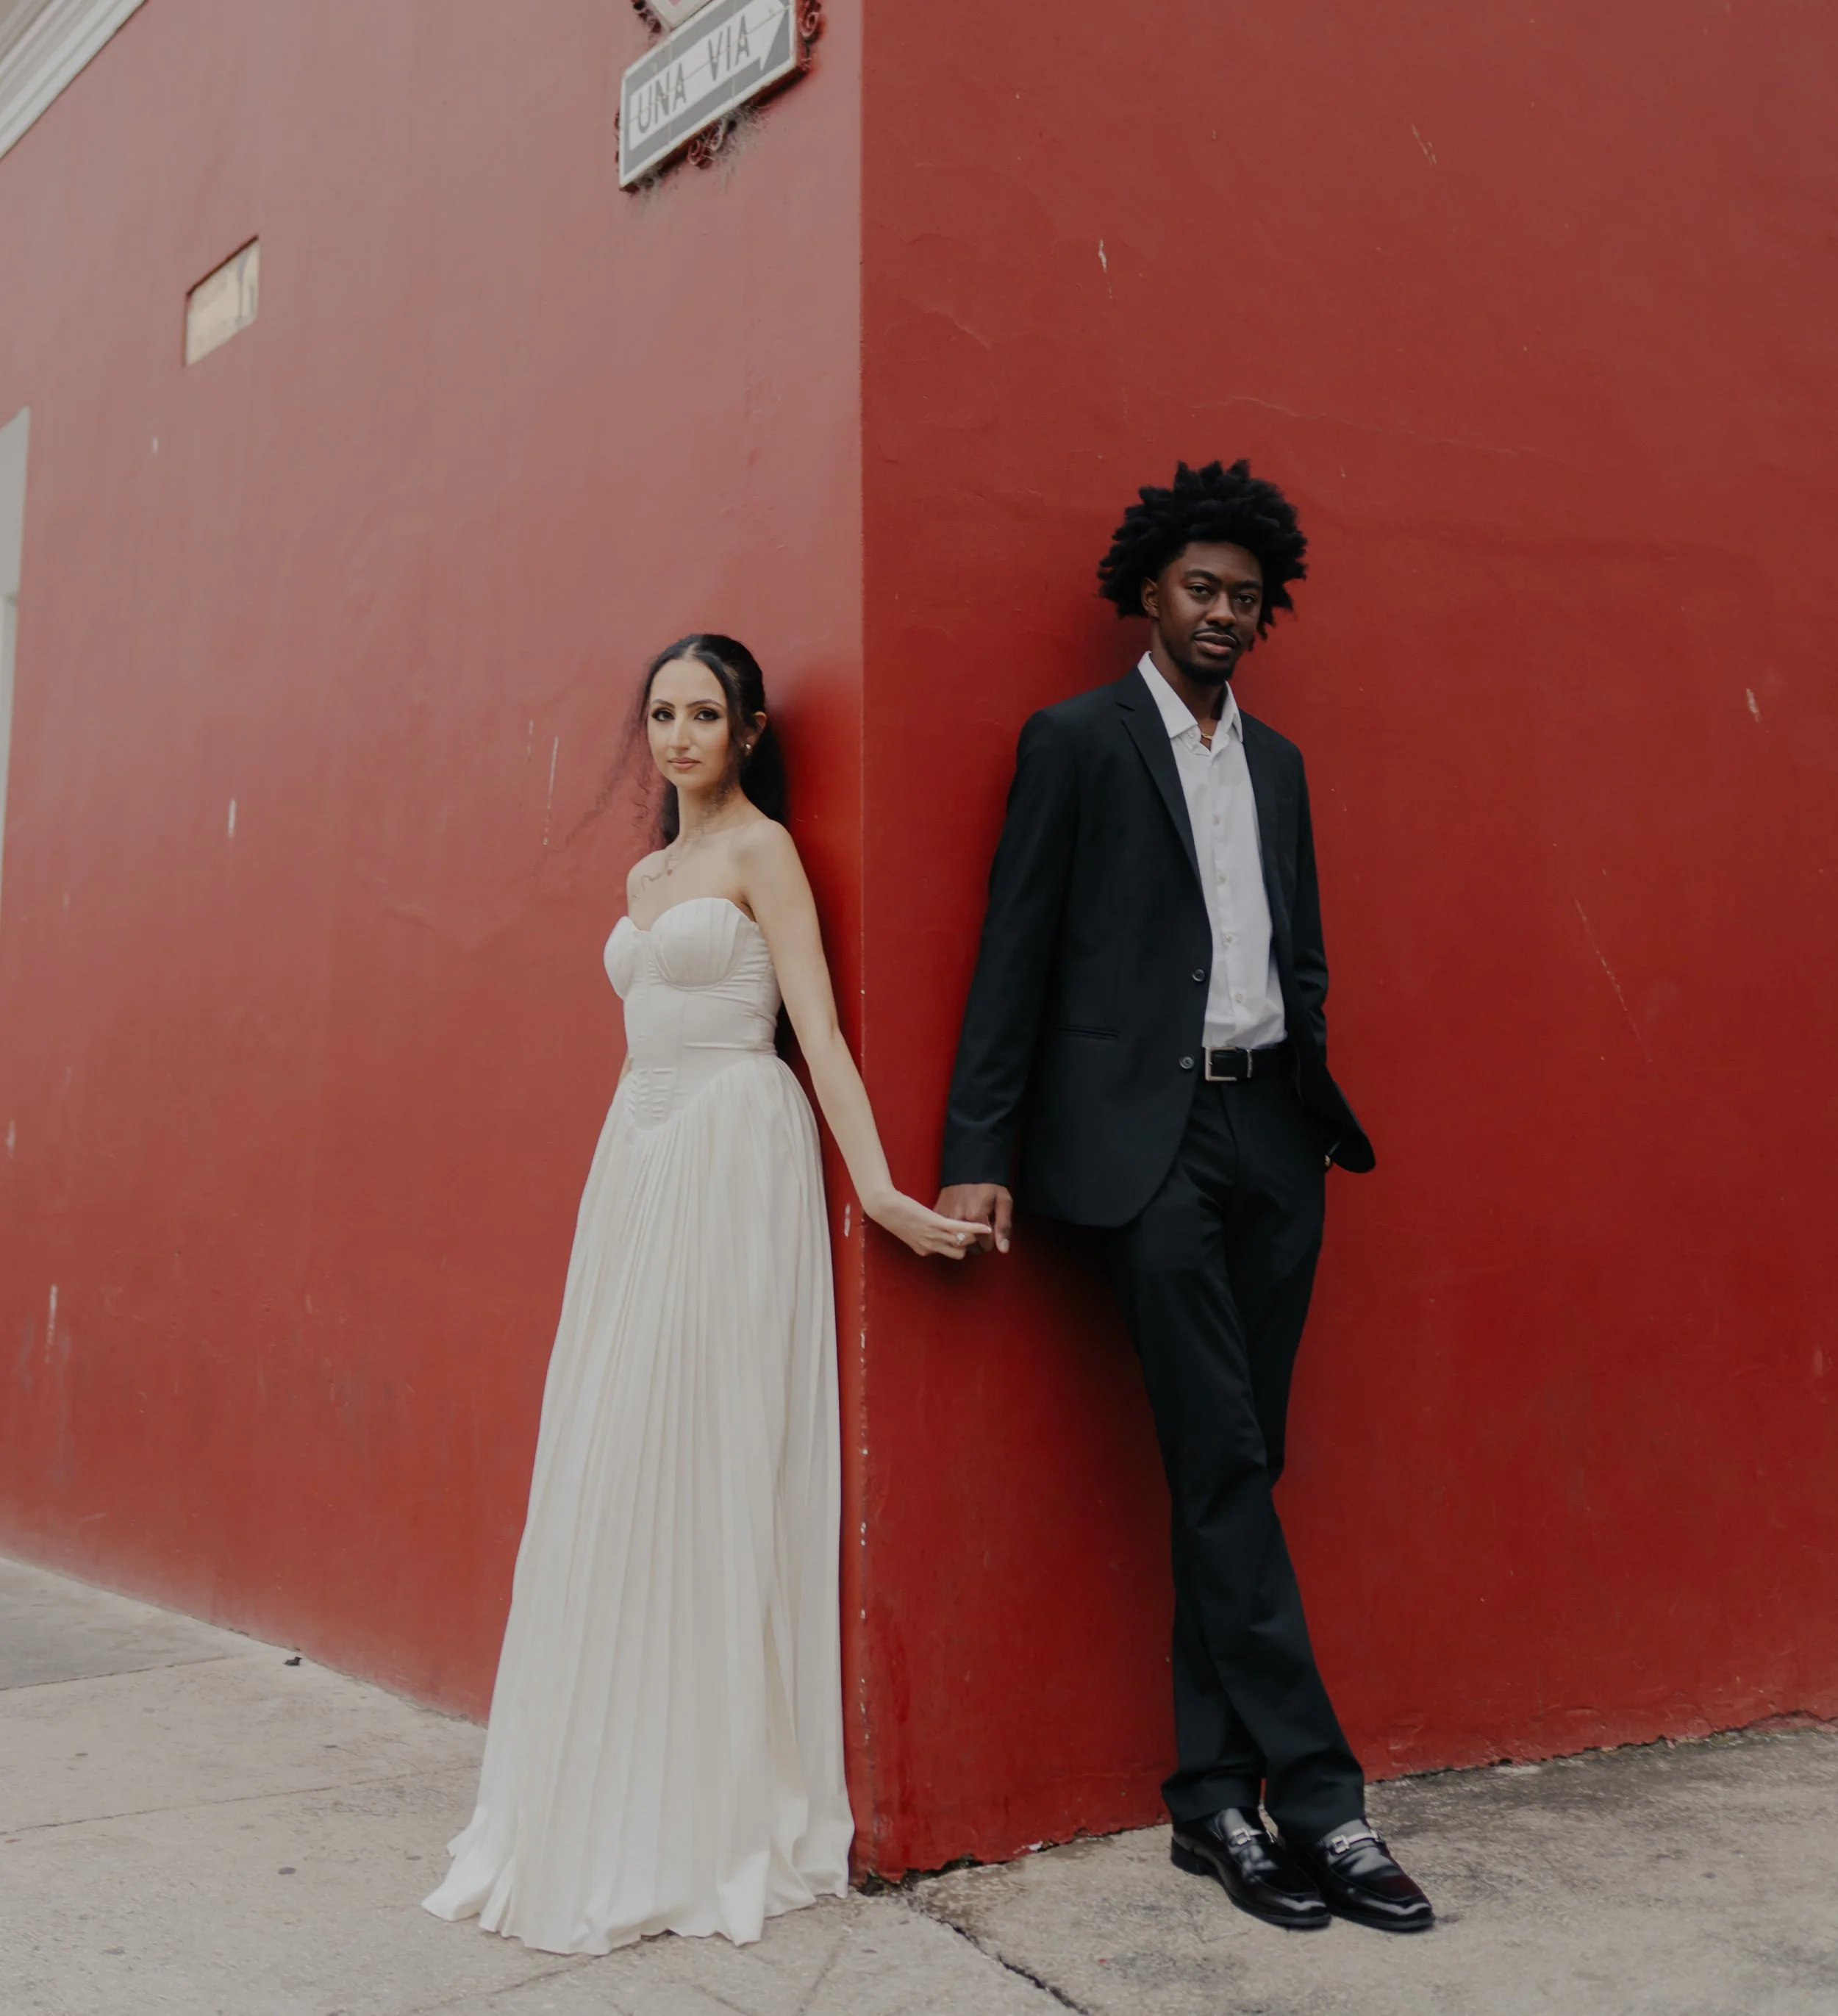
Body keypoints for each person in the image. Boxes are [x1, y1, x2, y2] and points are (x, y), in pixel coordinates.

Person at [426, 634, 982, 1956]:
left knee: (706, 1453)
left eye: (706, 713)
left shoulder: (762, 852)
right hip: (638, 1153)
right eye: (663, 713)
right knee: (607, 1456)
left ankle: (703, 1801)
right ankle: (604, 1777)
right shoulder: (646, 872)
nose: (680, 734)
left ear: (747, 728)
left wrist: (885, 1188)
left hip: (737, 1148)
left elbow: (819, 1030)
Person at [935, 460, 1433, 1937]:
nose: (1224, 612)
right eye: (1199, 588)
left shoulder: (1274, 764)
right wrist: (981, 1142)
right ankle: (1323, 1805)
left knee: (1239, 1468)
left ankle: (1211, 1797)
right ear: (1144, 593)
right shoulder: (1076, 744)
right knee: (1218, 1459)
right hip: (1143, 1153)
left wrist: (1304, 1088)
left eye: (1244, 595)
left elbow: (1300, 948)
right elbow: (1012, 951)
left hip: (1272, 1138)